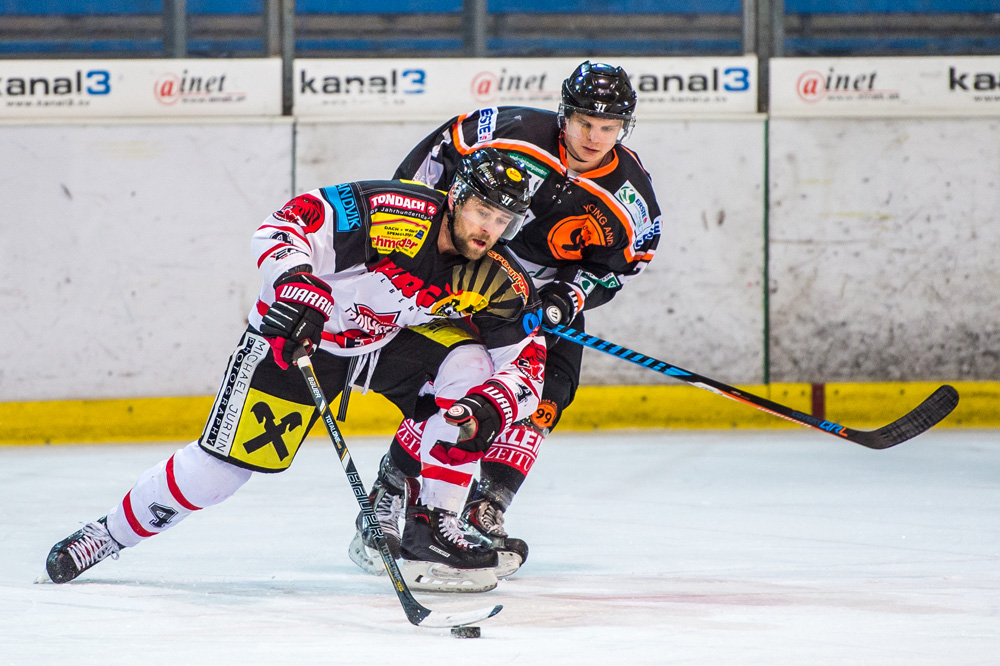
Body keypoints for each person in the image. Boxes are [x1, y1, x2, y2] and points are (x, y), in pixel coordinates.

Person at [46, 147, 546, 594]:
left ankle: (431, 525)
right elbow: (283, 226)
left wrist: (493, 403)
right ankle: (107, 534)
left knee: (471, 368)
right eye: (482, 211)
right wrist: (295, 281)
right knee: (218, 474)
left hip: (383, 343)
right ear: (455, 197)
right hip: (300, 336)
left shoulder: (496, 274)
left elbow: (526, 360)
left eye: (502, 220)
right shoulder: (397, 212)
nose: (488, 229)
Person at [349, 61, 662, 581]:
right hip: (473, 277)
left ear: (624, 127)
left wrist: (569, 294)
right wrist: (419, 247)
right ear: (564, 114)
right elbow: (427, 169)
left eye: (608, 127)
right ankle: (391, 491)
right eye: (584, 122)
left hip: (543, 294)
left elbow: (624, 264)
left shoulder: (631, 195)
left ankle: (486, 506)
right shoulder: (506, 130)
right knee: (458, 380)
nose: (593, 137)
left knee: (548, 392)